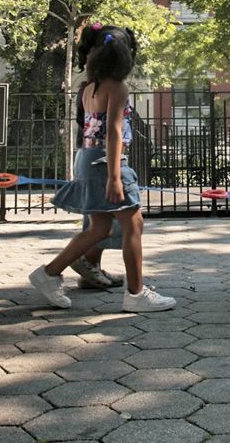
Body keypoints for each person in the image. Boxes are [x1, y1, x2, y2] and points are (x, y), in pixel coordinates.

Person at [28, 25, 175, 312]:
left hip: (86, 156)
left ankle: (48, 273)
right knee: (134, 224)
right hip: (106, 162)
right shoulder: (118, 87)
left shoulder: (88, 88)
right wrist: (114, 176)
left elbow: (90, 129)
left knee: (99, 228)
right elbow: (114, 132)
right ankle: (136, 294)